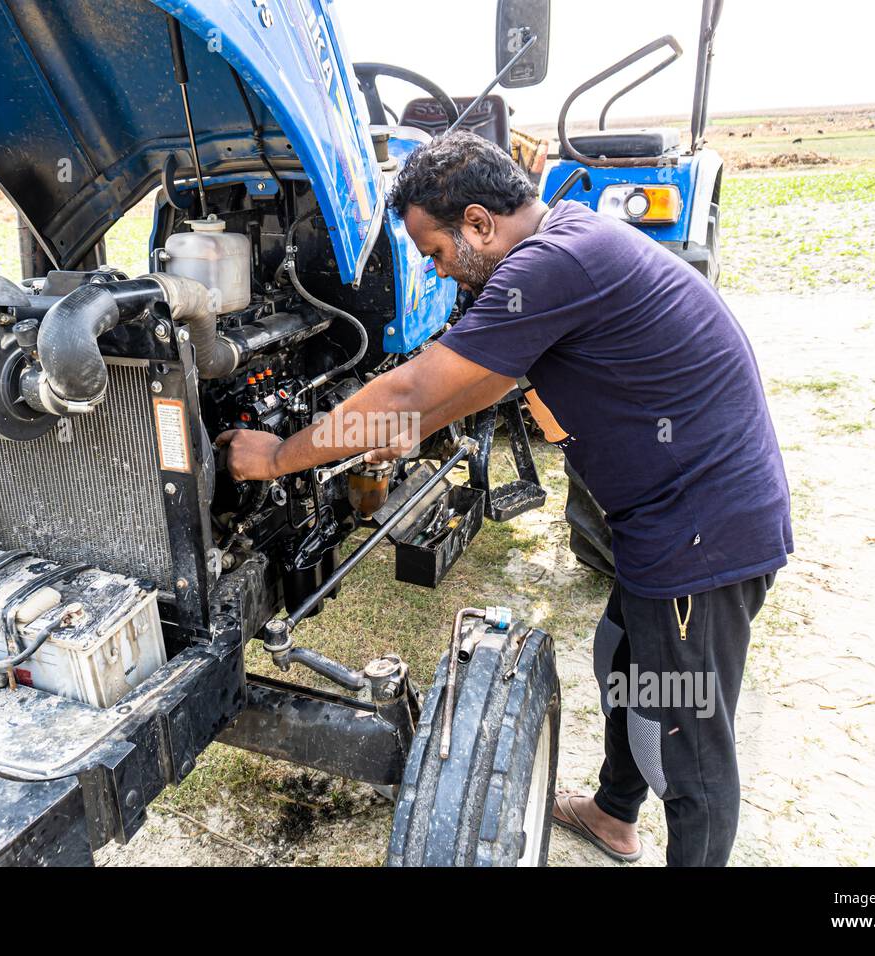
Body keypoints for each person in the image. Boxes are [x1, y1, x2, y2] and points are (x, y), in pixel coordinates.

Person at [218, 130, 792, 866]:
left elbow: (412, 385)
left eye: (435, 253)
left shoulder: (551, 266)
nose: (440, 271)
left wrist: (276, 456)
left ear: (480, 223)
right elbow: (479, 380)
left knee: (686, 743)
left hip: (703, 535)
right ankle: (615, 815)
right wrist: (408, 425)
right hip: (662, 520)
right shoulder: (567, 241)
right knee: (622, 659)